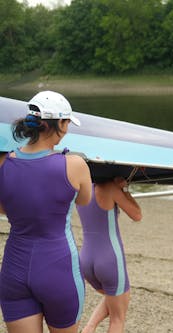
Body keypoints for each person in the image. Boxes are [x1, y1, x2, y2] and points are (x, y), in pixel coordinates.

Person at [0, 91, 92, 333]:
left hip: (14, 270)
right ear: (59, 124)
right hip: (58, 268)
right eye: (68, 123)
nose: (68, 129)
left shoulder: (5, 164)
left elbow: (4, 207)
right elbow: (84, 199)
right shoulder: (74, 164)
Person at [76, 177, 142, 333]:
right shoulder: (110, 188)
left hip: (86, 258)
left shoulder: (81, 187)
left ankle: (89, 327)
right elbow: (137, 215)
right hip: (110, 259)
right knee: (117, 319)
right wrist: (124, 190)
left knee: (112, 297)